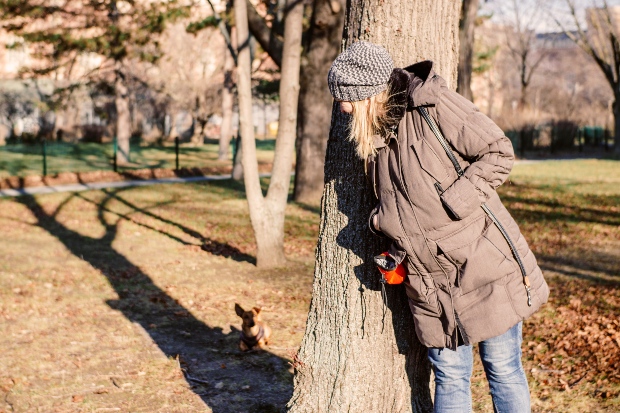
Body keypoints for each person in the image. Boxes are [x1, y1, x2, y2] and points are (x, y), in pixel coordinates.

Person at [327, 41, 550, 413]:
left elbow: (497, 151)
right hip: (428, 284)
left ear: (366, 94)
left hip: (482, 264)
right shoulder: (376, 136)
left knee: (503, 369)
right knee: (449, 376)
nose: (341, 108)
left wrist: (455, 203)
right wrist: (384, 227)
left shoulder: (433, 104)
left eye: (345, 98)